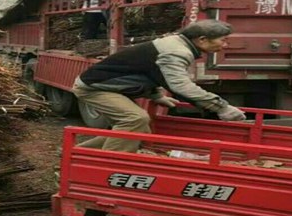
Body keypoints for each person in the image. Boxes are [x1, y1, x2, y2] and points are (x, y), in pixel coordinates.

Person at [72, 19, 246, 152]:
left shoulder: (177, 43)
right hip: (94, 87)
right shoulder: (177, 51)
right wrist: (221, 107)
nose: (225, 45)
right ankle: (102, 169)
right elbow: (181, 86)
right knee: (135, 120)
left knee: (138, 131)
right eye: (223, 40)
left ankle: (77, 154)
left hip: (108, 86)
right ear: (202, 39)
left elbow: (149, 70)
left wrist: (156, 96)